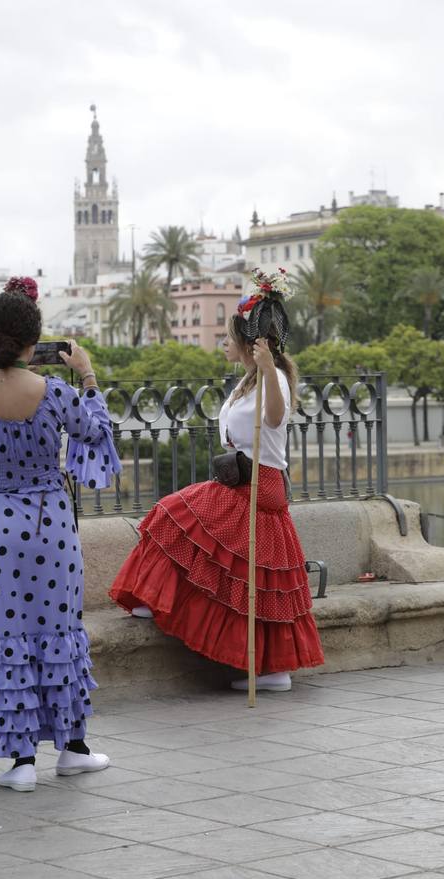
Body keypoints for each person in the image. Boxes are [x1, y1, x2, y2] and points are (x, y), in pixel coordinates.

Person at [110, 270, 324, 690]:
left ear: (247, 343)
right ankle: (266, 666)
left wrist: (267, 370)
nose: (222, 343)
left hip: (258, 487)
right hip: (238, 481)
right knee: (240, 571)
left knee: (179, 520)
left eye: (228, 337)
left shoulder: (272, 377)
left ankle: (269, 668)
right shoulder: (246, 381)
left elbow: (277, 418)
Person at [0, 276, 120, 792]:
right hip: (49, 529)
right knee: (56, 633)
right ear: (34, 341)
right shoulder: (59, 394)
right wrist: (86, 375)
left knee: (3, 638)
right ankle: (72, 750)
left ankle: (20, 760)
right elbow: (97, 432)